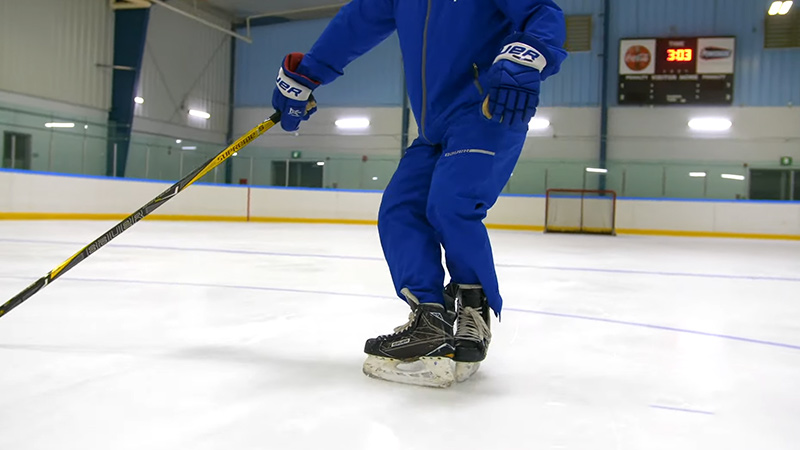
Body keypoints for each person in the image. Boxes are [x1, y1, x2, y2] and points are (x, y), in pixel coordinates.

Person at [272, 0, 567, 388]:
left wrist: (527, 56)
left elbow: (543, 12)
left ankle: (473, 310)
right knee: (399, 210)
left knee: (451, 204)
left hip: (487, 110)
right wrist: (305, 76)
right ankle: (430, 318)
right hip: (433, 129)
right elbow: (355, 25)